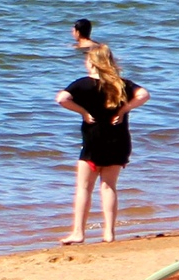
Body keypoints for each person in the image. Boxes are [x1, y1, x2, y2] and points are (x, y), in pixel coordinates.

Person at [59, 43, 146, 244]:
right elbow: (144, 94)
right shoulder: (122, 84)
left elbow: (62, 99)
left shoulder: (84, 84)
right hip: (119, 141)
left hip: (93, 142)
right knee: (109, 187)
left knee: (84, 188)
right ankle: (109, 233)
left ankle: (79, 232)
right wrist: (123, 111)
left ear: (92, 63)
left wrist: (83, 112)